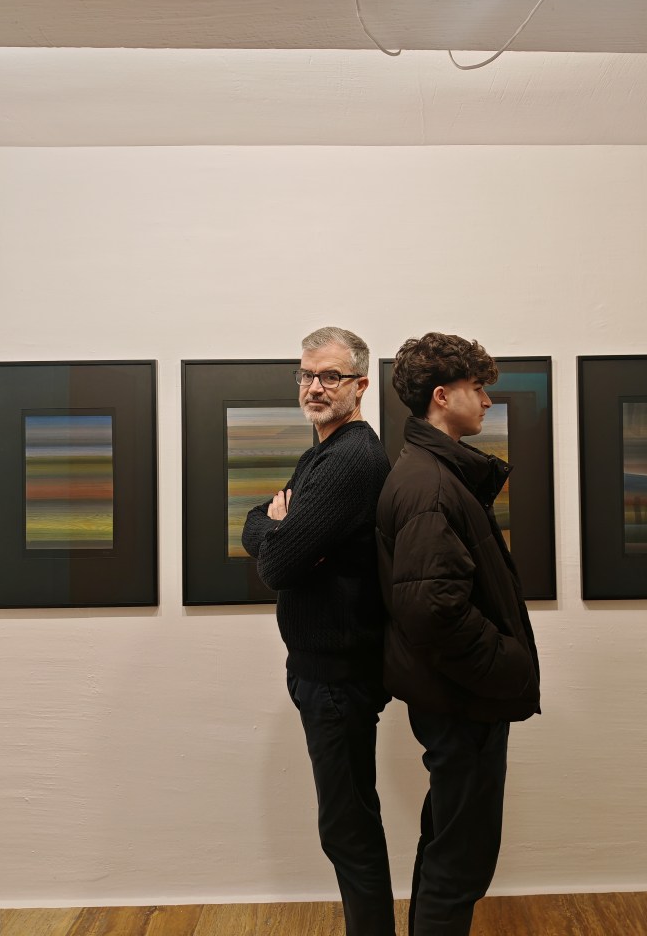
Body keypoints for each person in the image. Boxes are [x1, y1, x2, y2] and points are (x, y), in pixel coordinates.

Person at [376, 331, 541, 936]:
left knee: (449, 845)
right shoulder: (430, 483)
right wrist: (508, 664)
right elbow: (432, 611)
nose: (488, 401)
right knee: (460, 862)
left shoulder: (432, 473)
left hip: (457, 696)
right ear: (442, 397)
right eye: (477, 388)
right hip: (463, 701)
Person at [242, 326, 395, 936]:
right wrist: (277, 528)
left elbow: (277, 566)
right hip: (320, 670)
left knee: (347, 829)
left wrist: (279, 533)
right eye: (306, 375)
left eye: (331, 376)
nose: (314, 387)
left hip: (338, 677)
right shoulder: (321, 455)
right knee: (346, 823)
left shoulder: (351, 459)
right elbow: (257, 522)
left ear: (360, 385)